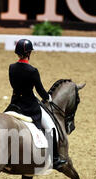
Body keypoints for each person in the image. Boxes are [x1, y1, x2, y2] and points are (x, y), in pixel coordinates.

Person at [8, 39, 67, 171]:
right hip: (29, 106)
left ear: (17, 53)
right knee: (50, 127)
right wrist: (48, 98)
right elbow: (40, 90)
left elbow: (14, 86)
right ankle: (55, 158)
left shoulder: (11, 67)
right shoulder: (32, 71)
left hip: (15, 104)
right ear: (29, 53)